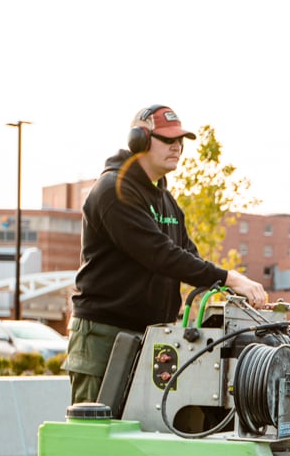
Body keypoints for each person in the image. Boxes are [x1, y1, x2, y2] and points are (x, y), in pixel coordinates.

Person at [63, 104, 266, 404]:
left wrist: (233, 295)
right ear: (139, 141)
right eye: (168, 140)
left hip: (151, 338)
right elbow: (159, 254)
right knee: (94, 438)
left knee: (141, 436)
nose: (178, 147)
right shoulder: (114, 191)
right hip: (103, 338)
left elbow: (188, 258)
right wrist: (230, 276)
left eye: (181, 141)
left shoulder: (167, 201)